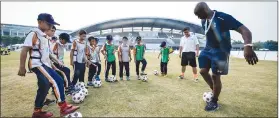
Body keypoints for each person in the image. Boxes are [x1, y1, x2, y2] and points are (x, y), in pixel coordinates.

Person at [194, 2, 258, 111]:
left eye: (199, 14)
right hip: (208, 49)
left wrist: (248, 46)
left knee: (215, 76)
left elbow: (245, 30)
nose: (199, 17)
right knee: (203, 71)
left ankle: (214, 102)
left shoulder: (223, 17)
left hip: (221, 51)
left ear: (205, 10)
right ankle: (215, 90)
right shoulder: (203, 20)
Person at [17, 13, 79, 117]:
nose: (51, 26)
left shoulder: (45, 37)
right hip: (37, 64)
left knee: (45, 86)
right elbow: (24, 50)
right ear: (40, 22)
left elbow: (47, 54)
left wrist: (55, 64)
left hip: (45, 65)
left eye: (52, 24)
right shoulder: (34, 34)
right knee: (56, 81)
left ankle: (37, 112)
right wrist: (22, 67)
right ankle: (63, 108)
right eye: (49, 23)